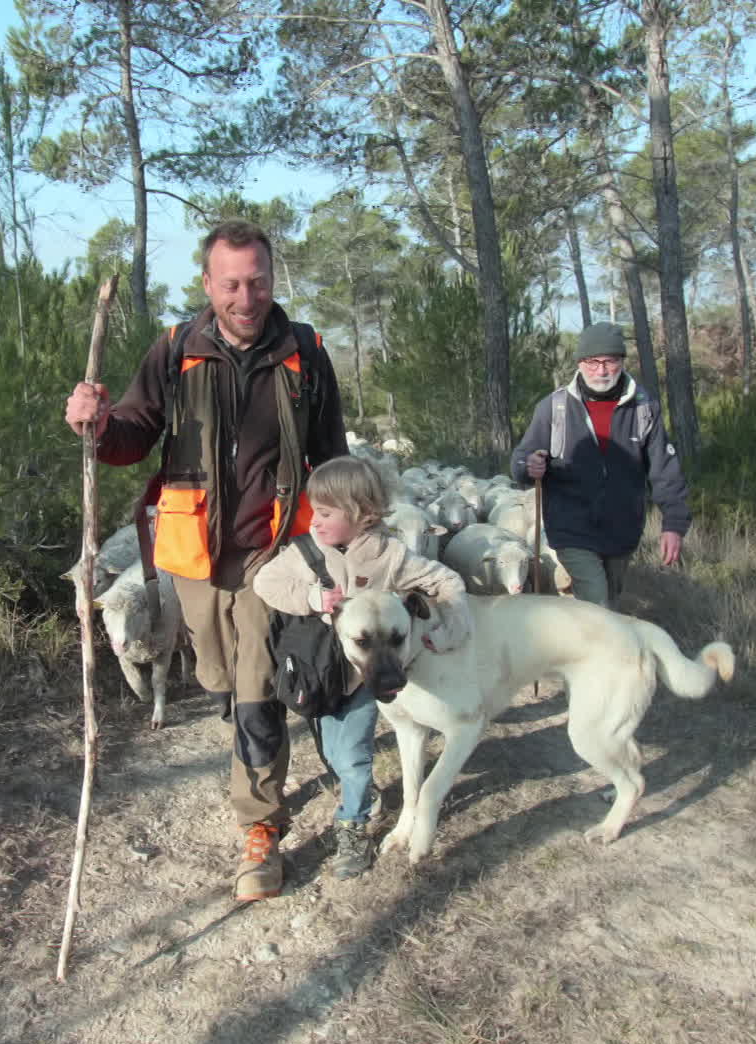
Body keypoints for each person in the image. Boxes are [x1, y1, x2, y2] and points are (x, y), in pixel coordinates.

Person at [64, 220, 346, 902]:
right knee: (219, 678)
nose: (246, 297)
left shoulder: (304, 352)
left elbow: (333, 454)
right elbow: (132, 433)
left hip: (275, 551)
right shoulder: (174, 352)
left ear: (273, 280)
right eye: (231, 284)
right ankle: (249, 729)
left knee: (257, 683)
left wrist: (345, 537)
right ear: (207, 284)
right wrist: (95, 425)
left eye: (258, 282)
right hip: (194, 554)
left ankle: (260, 830)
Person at [251, 457, 472, 880]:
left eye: (327, 514)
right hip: (318, 673)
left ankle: (353, 824)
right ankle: (359, 789)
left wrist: (451, 630)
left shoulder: (392, 556)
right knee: (334, 752)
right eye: (314, 511)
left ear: (363, 514)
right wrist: (314, 600)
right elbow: (266, 583)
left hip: (363, 678)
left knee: (351, 756)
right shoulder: (304, 552)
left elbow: (448, 582)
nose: (315, 522)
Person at [509, 322, 690, 610]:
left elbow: (664, 469)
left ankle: (579, 649)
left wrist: (674, 524)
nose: (601, 371)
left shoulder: (644, 408)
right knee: (597, 603)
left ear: (621, 362)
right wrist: (527, 466)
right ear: (580, 362)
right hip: (571, 527)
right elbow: (522, 456)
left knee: (610, 602)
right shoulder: (554, 407)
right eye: (593, 362)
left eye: (610, 361)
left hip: (623, 529)